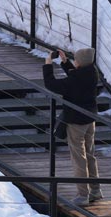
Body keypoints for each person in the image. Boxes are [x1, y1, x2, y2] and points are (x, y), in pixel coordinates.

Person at [43, 47, 101, 204]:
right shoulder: (92, 72)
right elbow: (76, 76)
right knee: (90, 154)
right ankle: (95, 190)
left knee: (78, 158)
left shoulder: (75, 80)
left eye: (75, 59)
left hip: (76, 121)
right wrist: (65, 62)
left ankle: (82, 195)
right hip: (90, 119)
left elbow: (51, 84)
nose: (74, 61)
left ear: (80, 62)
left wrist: (48, 64)